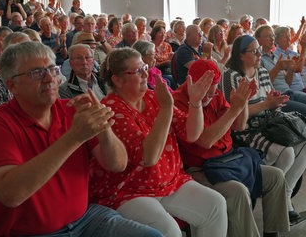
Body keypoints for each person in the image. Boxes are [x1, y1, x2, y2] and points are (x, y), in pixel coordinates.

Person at [0, 41, 161, 236]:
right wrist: (74, 137)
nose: (49, 79)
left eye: (52, 70)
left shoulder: (72, 109)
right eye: (37, 73)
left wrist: (103, 126)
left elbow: (117, 164)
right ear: (12, 85)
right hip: (25, 232)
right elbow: (10, 194)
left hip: (85, 219)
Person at [90, 47, 227, 236]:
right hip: (128, 191)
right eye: (138, 71)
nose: (146, 73)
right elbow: (149, 157)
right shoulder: (113, 110)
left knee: (215, 204)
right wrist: (166, 109)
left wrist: (195, 102)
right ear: (117, 79)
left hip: (169, 181)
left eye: (144, 67)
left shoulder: (153, 97)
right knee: (169, 230)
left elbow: (192, 134)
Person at [173, 59, 290, 237]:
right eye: (206, 94)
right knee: (238, 191)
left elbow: (239, 126)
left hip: (228, 161)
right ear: (193, 84)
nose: (209, 98)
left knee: (276, 177)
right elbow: (206, 140)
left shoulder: (216, 95)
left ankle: (272, 233)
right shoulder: (179, 101)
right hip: (201, 168)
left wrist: (242, 104)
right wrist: (234, 109)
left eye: (213, 93)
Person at [220, 35, 306, 221]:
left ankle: (284, 193)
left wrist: (275, 101)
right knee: (286, 153)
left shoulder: (261, 71)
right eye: (254, 51)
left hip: (270, 122)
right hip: (247, 129)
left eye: (259, 51)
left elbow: (268, 98)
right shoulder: (231, 76)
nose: (259, 55)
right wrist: (266, 105)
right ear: (240, 55)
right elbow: (236, 115)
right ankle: (273, 197)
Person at [0, 32, 30, 111]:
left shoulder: (37, 76)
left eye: (29, 47)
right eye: (20, 49)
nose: (28, 53)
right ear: (5, 53)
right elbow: (2, 120)